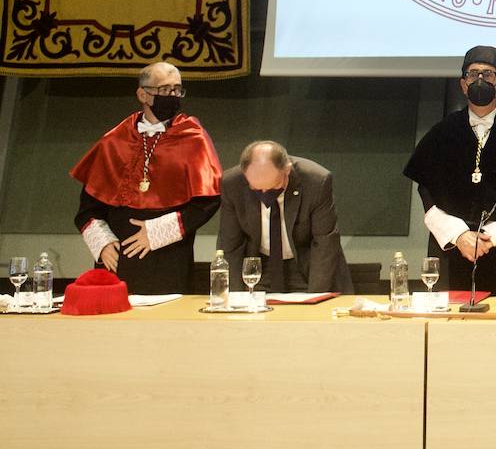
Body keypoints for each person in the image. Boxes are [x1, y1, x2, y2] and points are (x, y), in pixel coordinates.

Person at [403, 46, 496, 294]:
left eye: (488, 74)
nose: (479, 80)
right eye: (473, 74)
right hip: (452, 248)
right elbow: (428, 194)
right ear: (463, 85)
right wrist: (460, 236)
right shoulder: (443, 131)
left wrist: (486, 239)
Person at [70, 61, 222, 294]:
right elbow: (88, 209)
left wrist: (156, 233)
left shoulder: (193, 137)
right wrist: (102, 245)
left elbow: (207, 202)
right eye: (164, 90)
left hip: (167, 255)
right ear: (143, 94)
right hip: (117, 256)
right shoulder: (115, 139)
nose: (173, 95)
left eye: (177, 89)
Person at [217, 140, 353, 294]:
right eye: (256, 189)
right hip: (258, 266)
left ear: (287, 169)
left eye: (273, 187)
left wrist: (316, 297)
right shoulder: (232, 183)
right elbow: (231, 245)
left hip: (307, 265)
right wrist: (234, 298)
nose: (265, 195)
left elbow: (324, 242)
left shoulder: (316, 181)